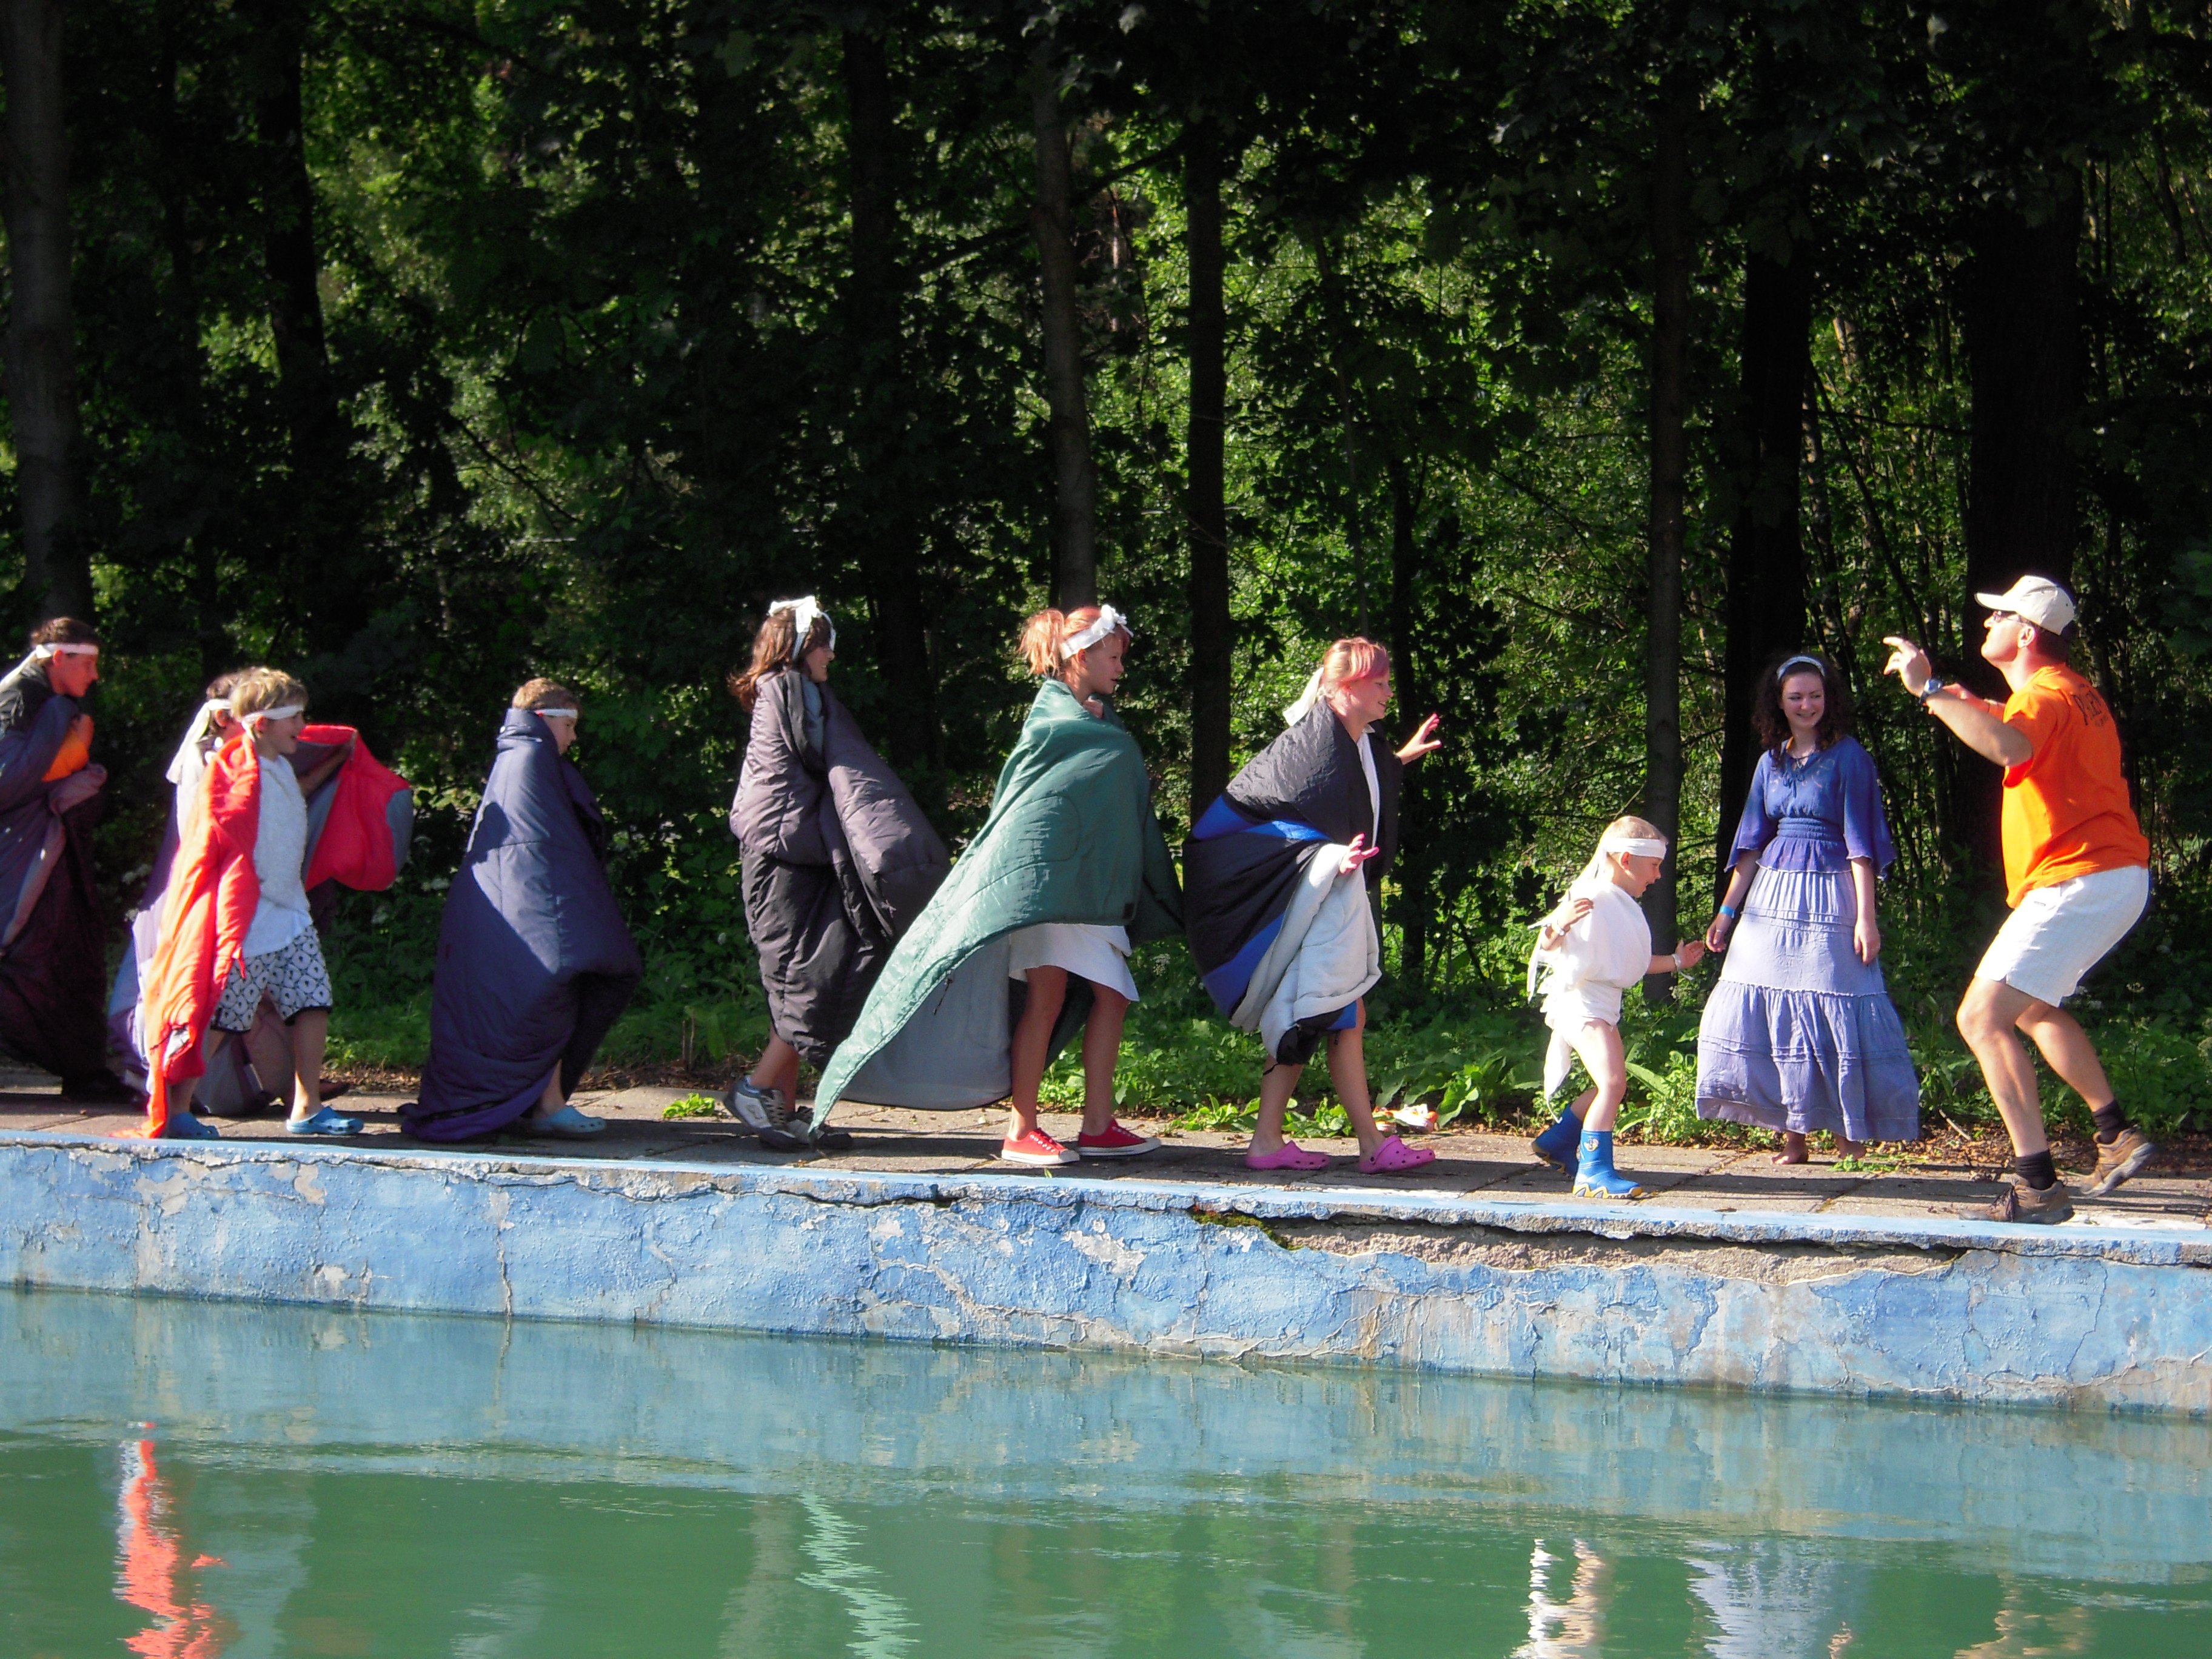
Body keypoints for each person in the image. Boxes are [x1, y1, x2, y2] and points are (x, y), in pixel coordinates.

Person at [811, 603, 1182, 1165]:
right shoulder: (1055, 724)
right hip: (1046, 890)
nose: (1120, 668)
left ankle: (1095, 1125)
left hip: (1084, 890)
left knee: (1101, 996)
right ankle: (1024, 1129)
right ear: (1082, 657)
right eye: (1113, 656)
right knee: (1055, 998)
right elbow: (1029, 813)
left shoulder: (1096, 721)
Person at [1883, 576, 2159, 1223]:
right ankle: (2115, 1134)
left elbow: (2010, 745)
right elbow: (2012, 726)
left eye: (1999, 615)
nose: (1988, 624)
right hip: (2109, 876)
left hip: (2082, 878)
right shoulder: (2074, 692)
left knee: (1981, 1018)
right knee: (2032, 1009)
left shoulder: (2043, 695)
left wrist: (1929, 689)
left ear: (2027, 632)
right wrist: (1953, 697)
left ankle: (2037, 1186)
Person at [1184, 637, 1446, 1175]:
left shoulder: (1358, 740)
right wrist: (1329, 857)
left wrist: (1399, 760)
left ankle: (1275, 1141)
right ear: (1344, 689)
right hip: (1308, 895)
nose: (1388, 693)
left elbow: (1358, 785)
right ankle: (1365, 1144)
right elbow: (1276, 823)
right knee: (1331, 1013)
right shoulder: (1309, 750)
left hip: (1323, 897)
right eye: (1378, 684)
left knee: (1318, 1013)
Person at [723, 597, 949, 1150]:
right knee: (813, 977)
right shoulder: (791, 690)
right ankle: (756, 1090)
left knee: (802, 977)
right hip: (784, 860)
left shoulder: (789, 691)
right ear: (800, 647)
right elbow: (824, 756)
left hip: (794, 856)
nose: (830, 655)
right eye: (823, 644)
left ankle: (780, 1107)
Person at [1695, 653, 1920, 1162]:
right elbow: (1750, 844)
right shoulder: (1769, 762)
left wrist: (1866, 919)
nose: (1806, 705)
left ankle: (1849, 1138)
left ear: (1828, 699)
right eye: (1796, 697)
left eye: (1815, 696)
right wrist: (1727, 912)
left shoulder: (1849, 757)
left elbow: (1861, 846)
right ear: (1779, 702)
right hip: (1771, 899)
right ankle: (1793, 1136)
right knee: (1770, 1008)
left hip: (1831, 894)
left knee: (1834, 1003)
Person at [404, 680, 643, 1141]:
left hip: (506, 912)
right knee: (551, 988)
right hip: (528, 914)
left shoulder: (515, 759)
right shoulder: (533, 759)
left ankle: (539, 1103)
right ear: (545, 719)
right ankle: (545, 1106)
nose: (573, 737)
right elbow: (542, 850)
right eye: (569, 726)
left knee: (547, 992)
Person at [138, 670, 362, 1138]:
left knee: (313, 1001)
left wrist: (337, 760)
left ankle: (307, 1106)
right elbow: (216, 839)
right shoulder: (231, 771)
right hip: (250, 919)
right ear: (262, 725)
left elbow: (292, 796)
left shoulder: (278, 764)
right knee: (224, 1016)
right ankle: (177, 1109)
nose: (303, 725)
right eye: (294, 717)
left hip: (290, 912)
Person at [1526, 816, 1708, 1199]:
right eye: (1654, 865)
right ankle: (1593, 1172)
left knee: (1611, 1084)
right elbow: (1547, 946)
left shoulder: (1619, 903)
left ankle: (1559, 1141)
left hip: (1601, 1005)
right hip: (1581, 1003)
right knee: (1612, 1084)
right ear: (1626, 860)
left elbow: (1632, 963)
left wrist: (1678, 962)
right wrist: (1559, 925)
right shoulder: (1591, 895)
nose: (1657, 876)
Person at [0, 618, 134, 1102]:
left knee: (67, 959)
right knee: (34, 961)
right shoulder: (21, 700)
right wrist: (70, 749)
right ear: (59, 658)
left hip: (46, 856)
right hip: (24, 860)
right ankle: (82, 1069)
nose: (95, 675)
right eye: (89, 664)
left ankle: (83, 1068)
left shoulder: (45, 701)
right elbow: (6, 782)